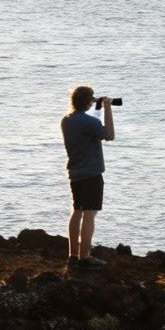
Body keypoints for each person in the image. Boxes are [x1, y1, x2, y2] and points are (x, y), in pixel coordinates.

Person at [61, 85, 116, 266]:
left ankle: (72, 255)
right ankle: (85, 257)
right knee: (90, 215)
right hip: (91, 173)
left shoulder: (67, 121)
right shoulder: (87, 122)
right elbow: (109, 135)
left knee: (77, 211)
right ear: (87, 101)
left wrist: (97, 108)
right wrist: (107, 108)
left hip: (75, 173)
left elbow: (90, 127)